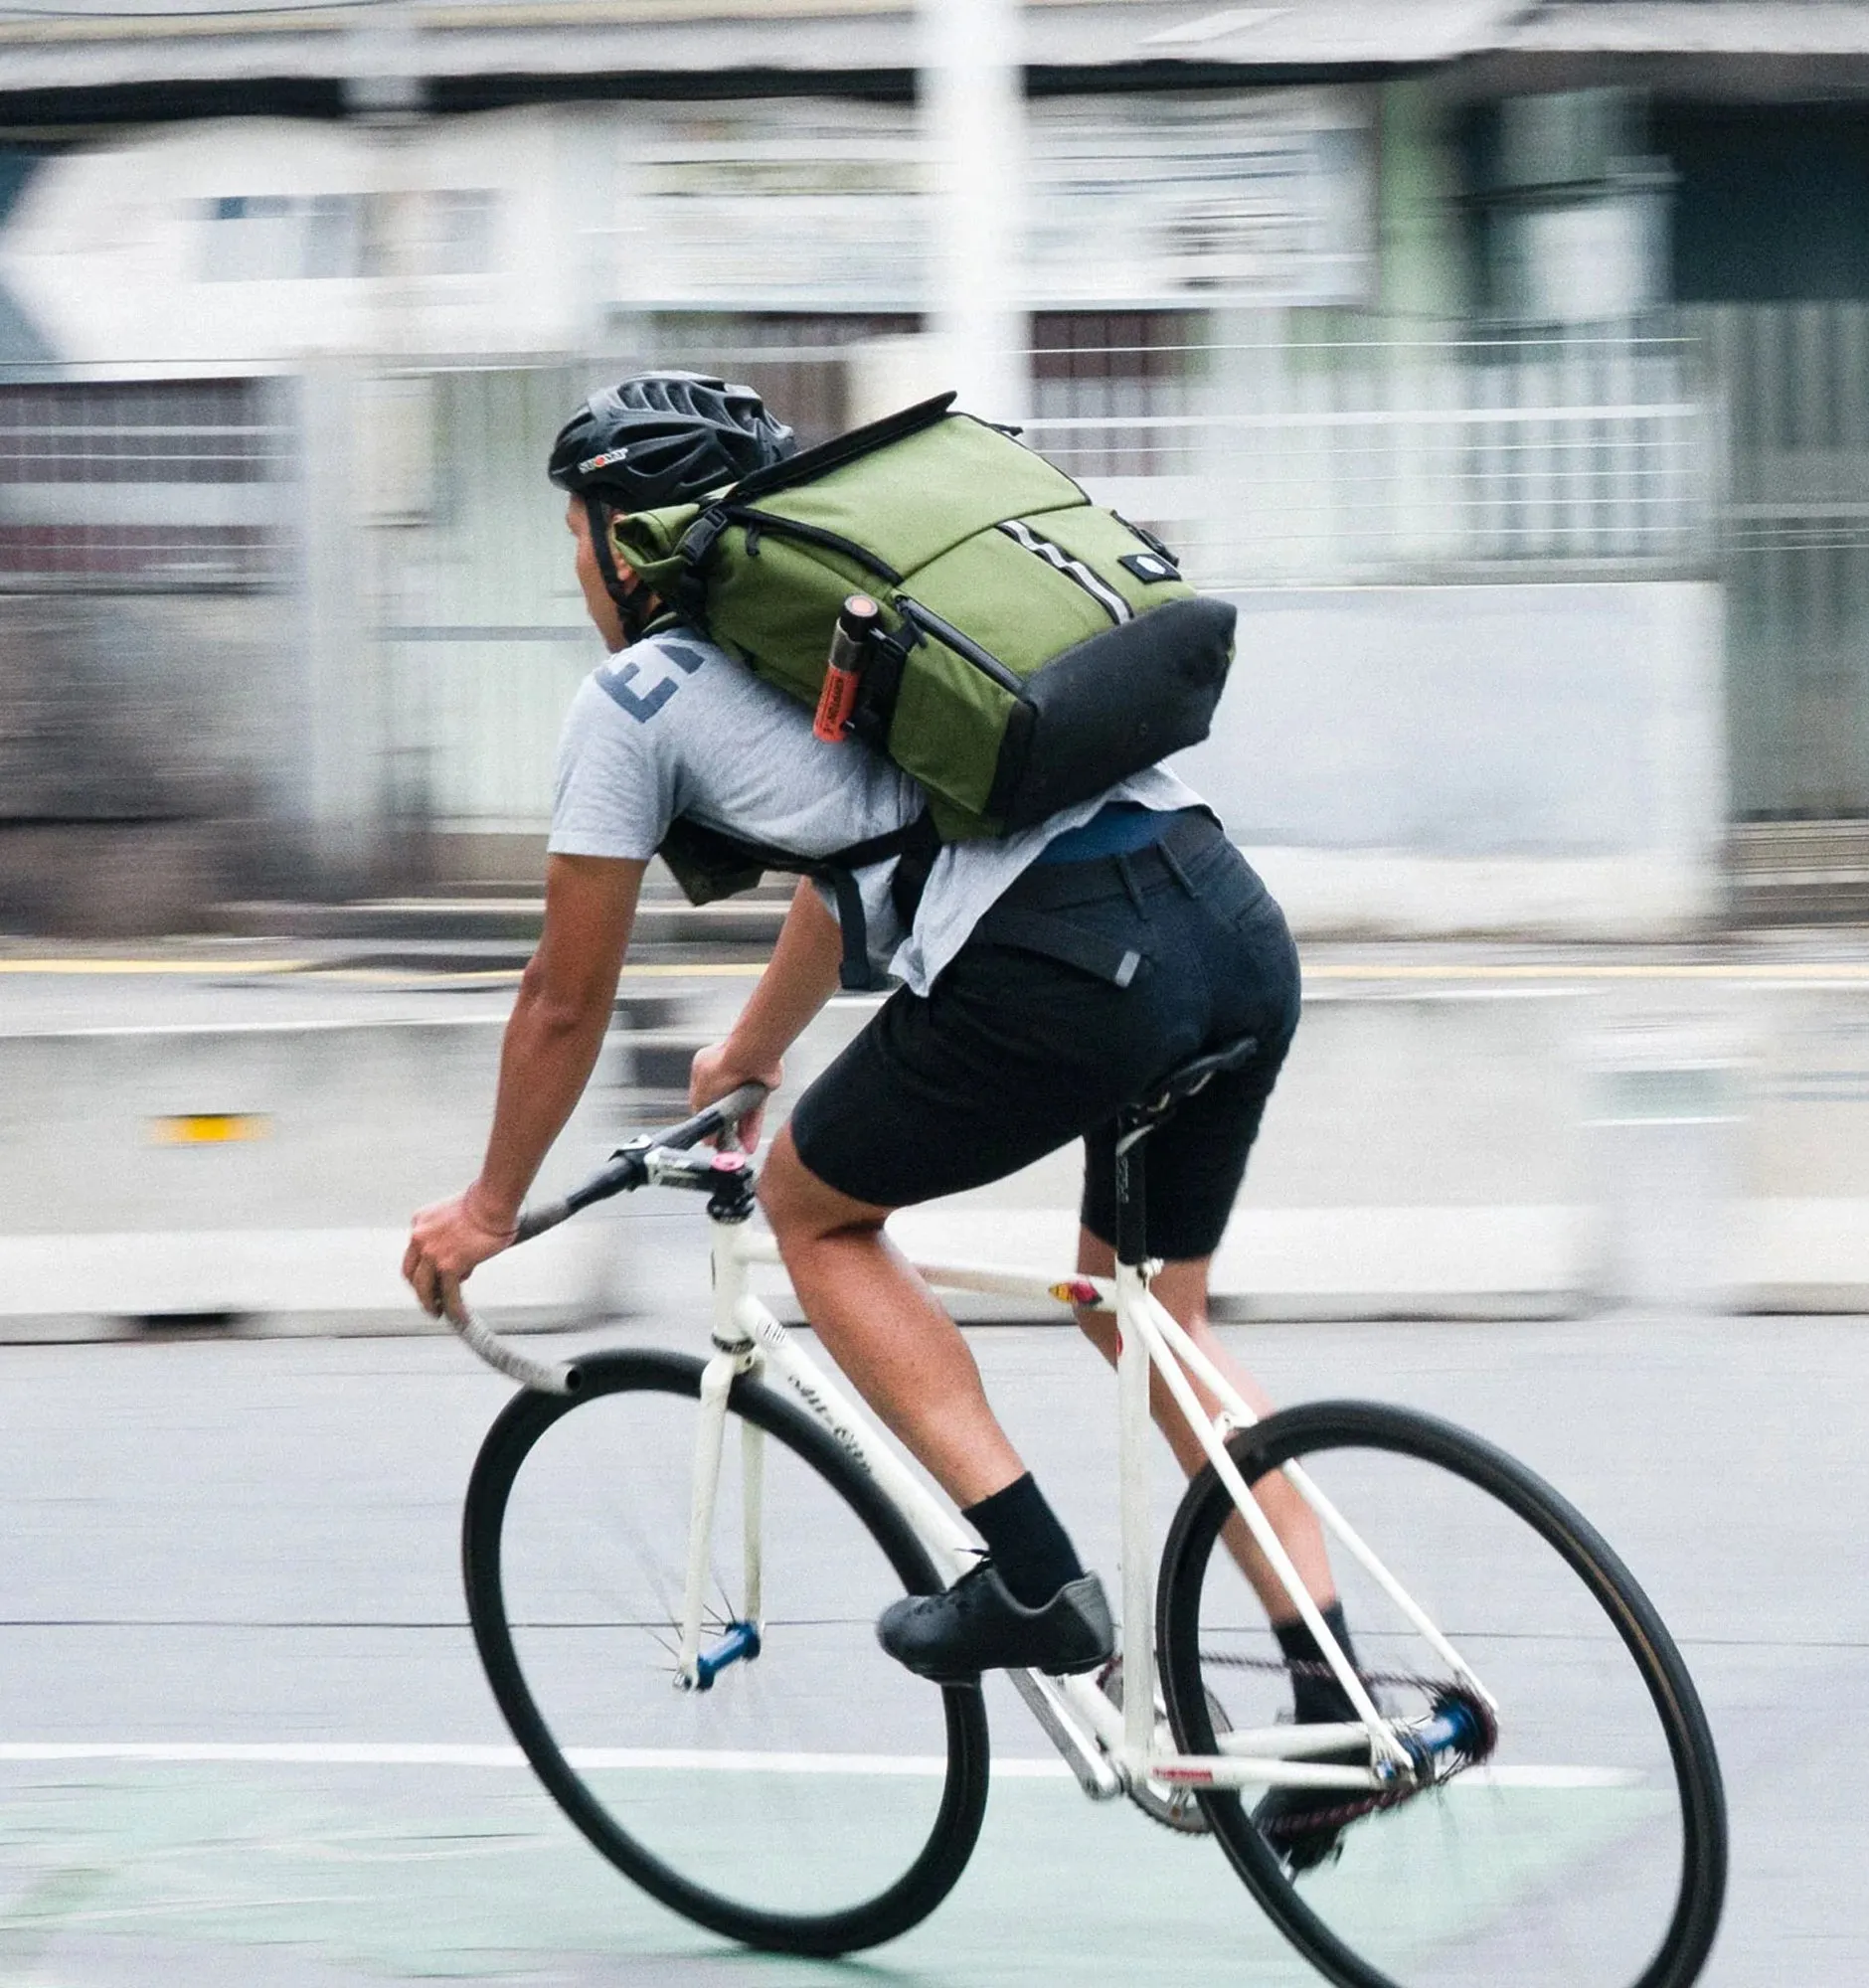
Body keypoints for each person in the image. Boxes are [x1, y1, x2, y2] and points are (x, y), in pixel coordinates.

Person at [404, 371, 1355, 1714]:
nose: (577, 571)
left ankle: (1029, 1575)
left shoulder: (632, 703)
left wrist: (491, 1206)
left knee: (814, 1206)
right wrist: (750, 1046)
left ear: (624, 543)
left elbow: (565, 996)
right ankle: (1337, 1699)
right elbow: (855, 863)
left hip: (1067, 965)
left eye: (575, 539)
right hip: (1231, 923)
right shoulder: (867, 634)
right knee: (1152, 1317)